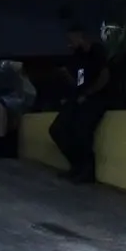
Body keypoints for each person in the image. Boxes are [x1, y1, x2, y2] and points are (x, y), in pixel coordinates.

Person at [49, 23, 110, 184]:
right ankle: (77, 166)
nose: (70, 43)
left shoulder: (96, 51)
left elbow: (104, 76)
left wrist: (89, 93)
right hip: (79, 97)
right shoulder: (77, 55)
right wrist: (65, 76)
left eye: (71, 39)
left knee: (82, 130)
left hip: (96, 97)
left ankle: (87, 170)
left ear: (80, 36)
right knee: (58, 129)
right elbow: (78, 81)